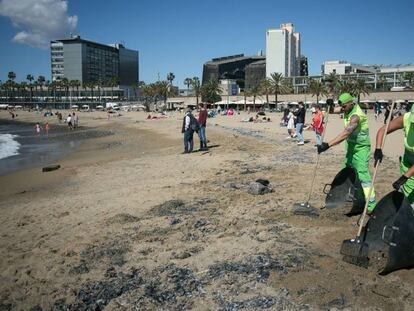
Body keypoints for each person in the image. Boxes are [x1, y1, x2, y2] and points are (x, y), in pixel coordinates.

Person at [318, 93, 376, 213]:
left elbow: (346, 133)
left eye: (344, 107)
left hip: (361, 148)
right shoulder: (347, 109)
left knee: (362, 174)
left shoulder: (356, 116)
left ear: (351, 103)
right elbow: (333, 110)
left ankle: (371, 203)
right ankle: (347, 195)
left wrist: (328, 145)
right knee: (346, 170)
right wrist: (330, 105)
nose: (342, 109)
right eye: (342, 107)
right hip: (350, 147)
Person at [374, 105, 414, 205]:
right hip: (408, 160)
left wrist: (405, 176)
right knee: (409, 198)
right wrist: (378, 148)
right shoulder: (406, 118)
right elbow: (383, 130)